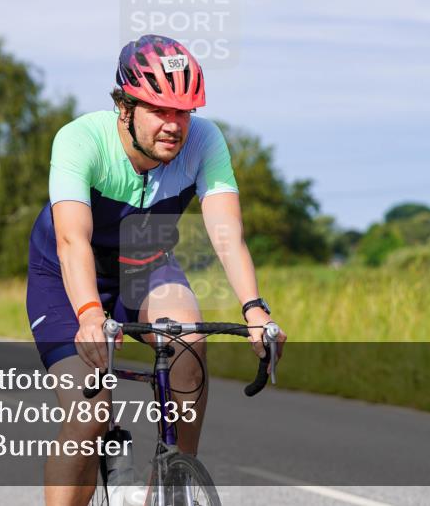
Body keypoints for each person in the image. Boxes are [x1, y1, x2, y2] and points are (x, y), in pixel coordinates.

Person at [26, 34, 287, 506]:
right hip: (66, 277)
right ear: (124, 106)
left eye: (184, 112)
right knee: (88, 417)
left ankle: (171, 483)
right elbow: (72, 240)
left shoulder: (204, 140)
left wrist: (254, 309)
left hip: (144, 266)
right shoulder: (81, 140)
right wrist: (89, 314)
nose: (174, 125)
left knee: (189, 340)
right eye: (159, 110)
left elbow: (227, 234)